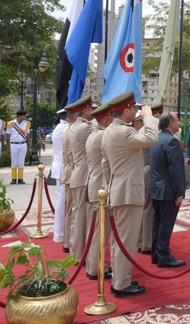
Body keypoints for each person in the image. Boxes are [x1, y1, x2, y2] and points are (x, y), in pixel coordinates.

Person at [101, 91, 158, 298]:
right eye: (134, 109)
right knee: (126, 239)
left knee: (119, 239)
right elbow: (151, 137)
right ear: (126, 110)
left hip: (119, 189)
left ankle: (120, 277)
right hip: (128, 192)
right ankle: (121, 284)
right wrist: (150, 117)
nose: (136, 112)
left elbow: (105, 164)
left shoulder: (109, 130)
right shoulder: (123, 132)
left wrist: (110, 185)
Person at [150, 112, 186, 268]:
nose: (179, 124)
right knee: (166, 225)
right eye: (178, 121)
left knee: (157, 222)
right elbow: (175, 171)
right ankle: (164, 256)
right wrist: (179, 193)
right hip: (167, 191)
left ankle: (156, 254)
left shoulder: (156, 138)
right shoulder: (172, 141)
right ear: (171, 123)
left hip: (156, 189)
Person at [84, 103, 114, 280]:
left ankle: (93, 265)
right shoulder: (103, 134)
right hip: (101, 187)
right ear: (107, 119)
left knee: (96, 230)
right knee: (100, 231)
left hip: (94, 183)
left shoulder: (94, 133)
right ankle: (96, 268)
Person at [64, 94, 95, 261]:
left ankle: (76, 251)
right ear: (86, 110)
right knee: (82, 216)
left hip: (77, 174)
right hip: (83, 176)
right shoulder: (86, 127)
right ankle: (79, 253)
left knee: (77, 215)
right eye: (92, 109)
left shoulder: (74, 127)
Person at [133, 109, 153, 255]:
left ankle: (140, 241)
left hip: (140, 172)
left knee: (141, 210)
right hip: (147, 172)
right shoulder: (145, 134)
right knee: (148, 210)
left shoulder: (136, 134)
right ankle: (146, 243)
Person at [51, 109, 70, 245]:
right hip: (63, 167)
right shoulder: (64, 128)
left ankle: (60, 232)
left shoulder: (60, 127)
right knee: (62, 202)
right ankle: (60, 234)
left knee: (62, 201)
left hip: (60, 166)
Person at [61, 109, 79, 253]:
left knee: (69, 210)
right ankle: (70, 242)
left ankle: (67, 242)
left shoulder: (69, 130)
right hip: (73, 172)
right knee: (73, 211)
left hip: (69, 172)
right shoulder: (74, 130)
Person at [7, 110, 31, 184]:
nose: (25, 117)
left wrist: (28, 147)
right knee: (14, 162)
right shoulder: (10, 123)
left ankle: (20, 178)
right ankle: (13, 178)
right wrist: (8, 147)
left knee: (21, 162)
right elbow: (8, 136)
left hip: (23, 144)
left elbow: (28, 136)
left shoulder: (27, 124)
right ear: (20, 116)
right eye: (24, 116)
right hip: (14, 144)